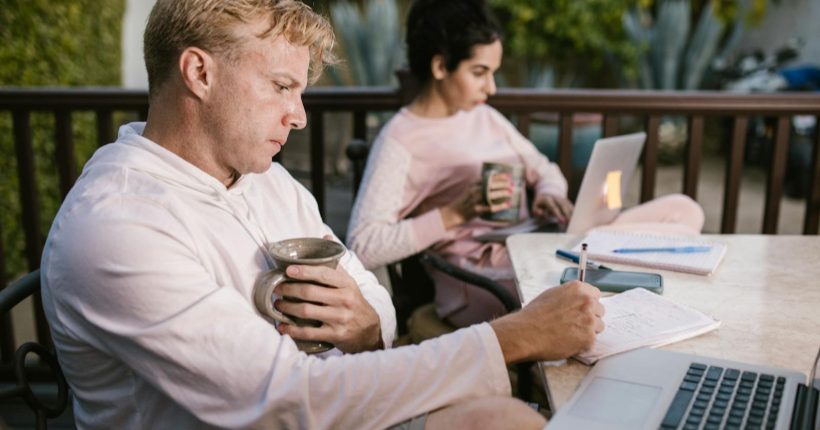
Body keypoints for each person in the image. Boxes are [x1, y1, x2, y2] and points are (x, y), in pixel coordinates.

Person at [40, 0, 605, 428]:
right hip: (300, 410)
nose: (300, 117)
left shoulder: (269, 183)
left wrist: (364, 326)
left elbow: (372, 297)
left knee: (501, 413)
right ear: (199, 73)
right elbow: (287, 398)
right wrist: (512, 337)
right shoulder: (116, 228)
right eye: (282, 86)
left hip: (331, 400)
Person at [347, 0, 705, 328]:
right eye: (479, 72)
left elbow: (543, 168)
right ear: (441, 66)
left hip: (541, 242)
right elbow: (363, 244)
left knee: (684, 212)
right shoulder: (401, 140)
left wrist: (548, 193)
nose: (492, 87)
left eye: (494, 72)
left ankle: (612, 259)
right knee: (669, 252)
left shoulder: (483, 116)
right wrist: (453, 214)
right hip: (487, 275)